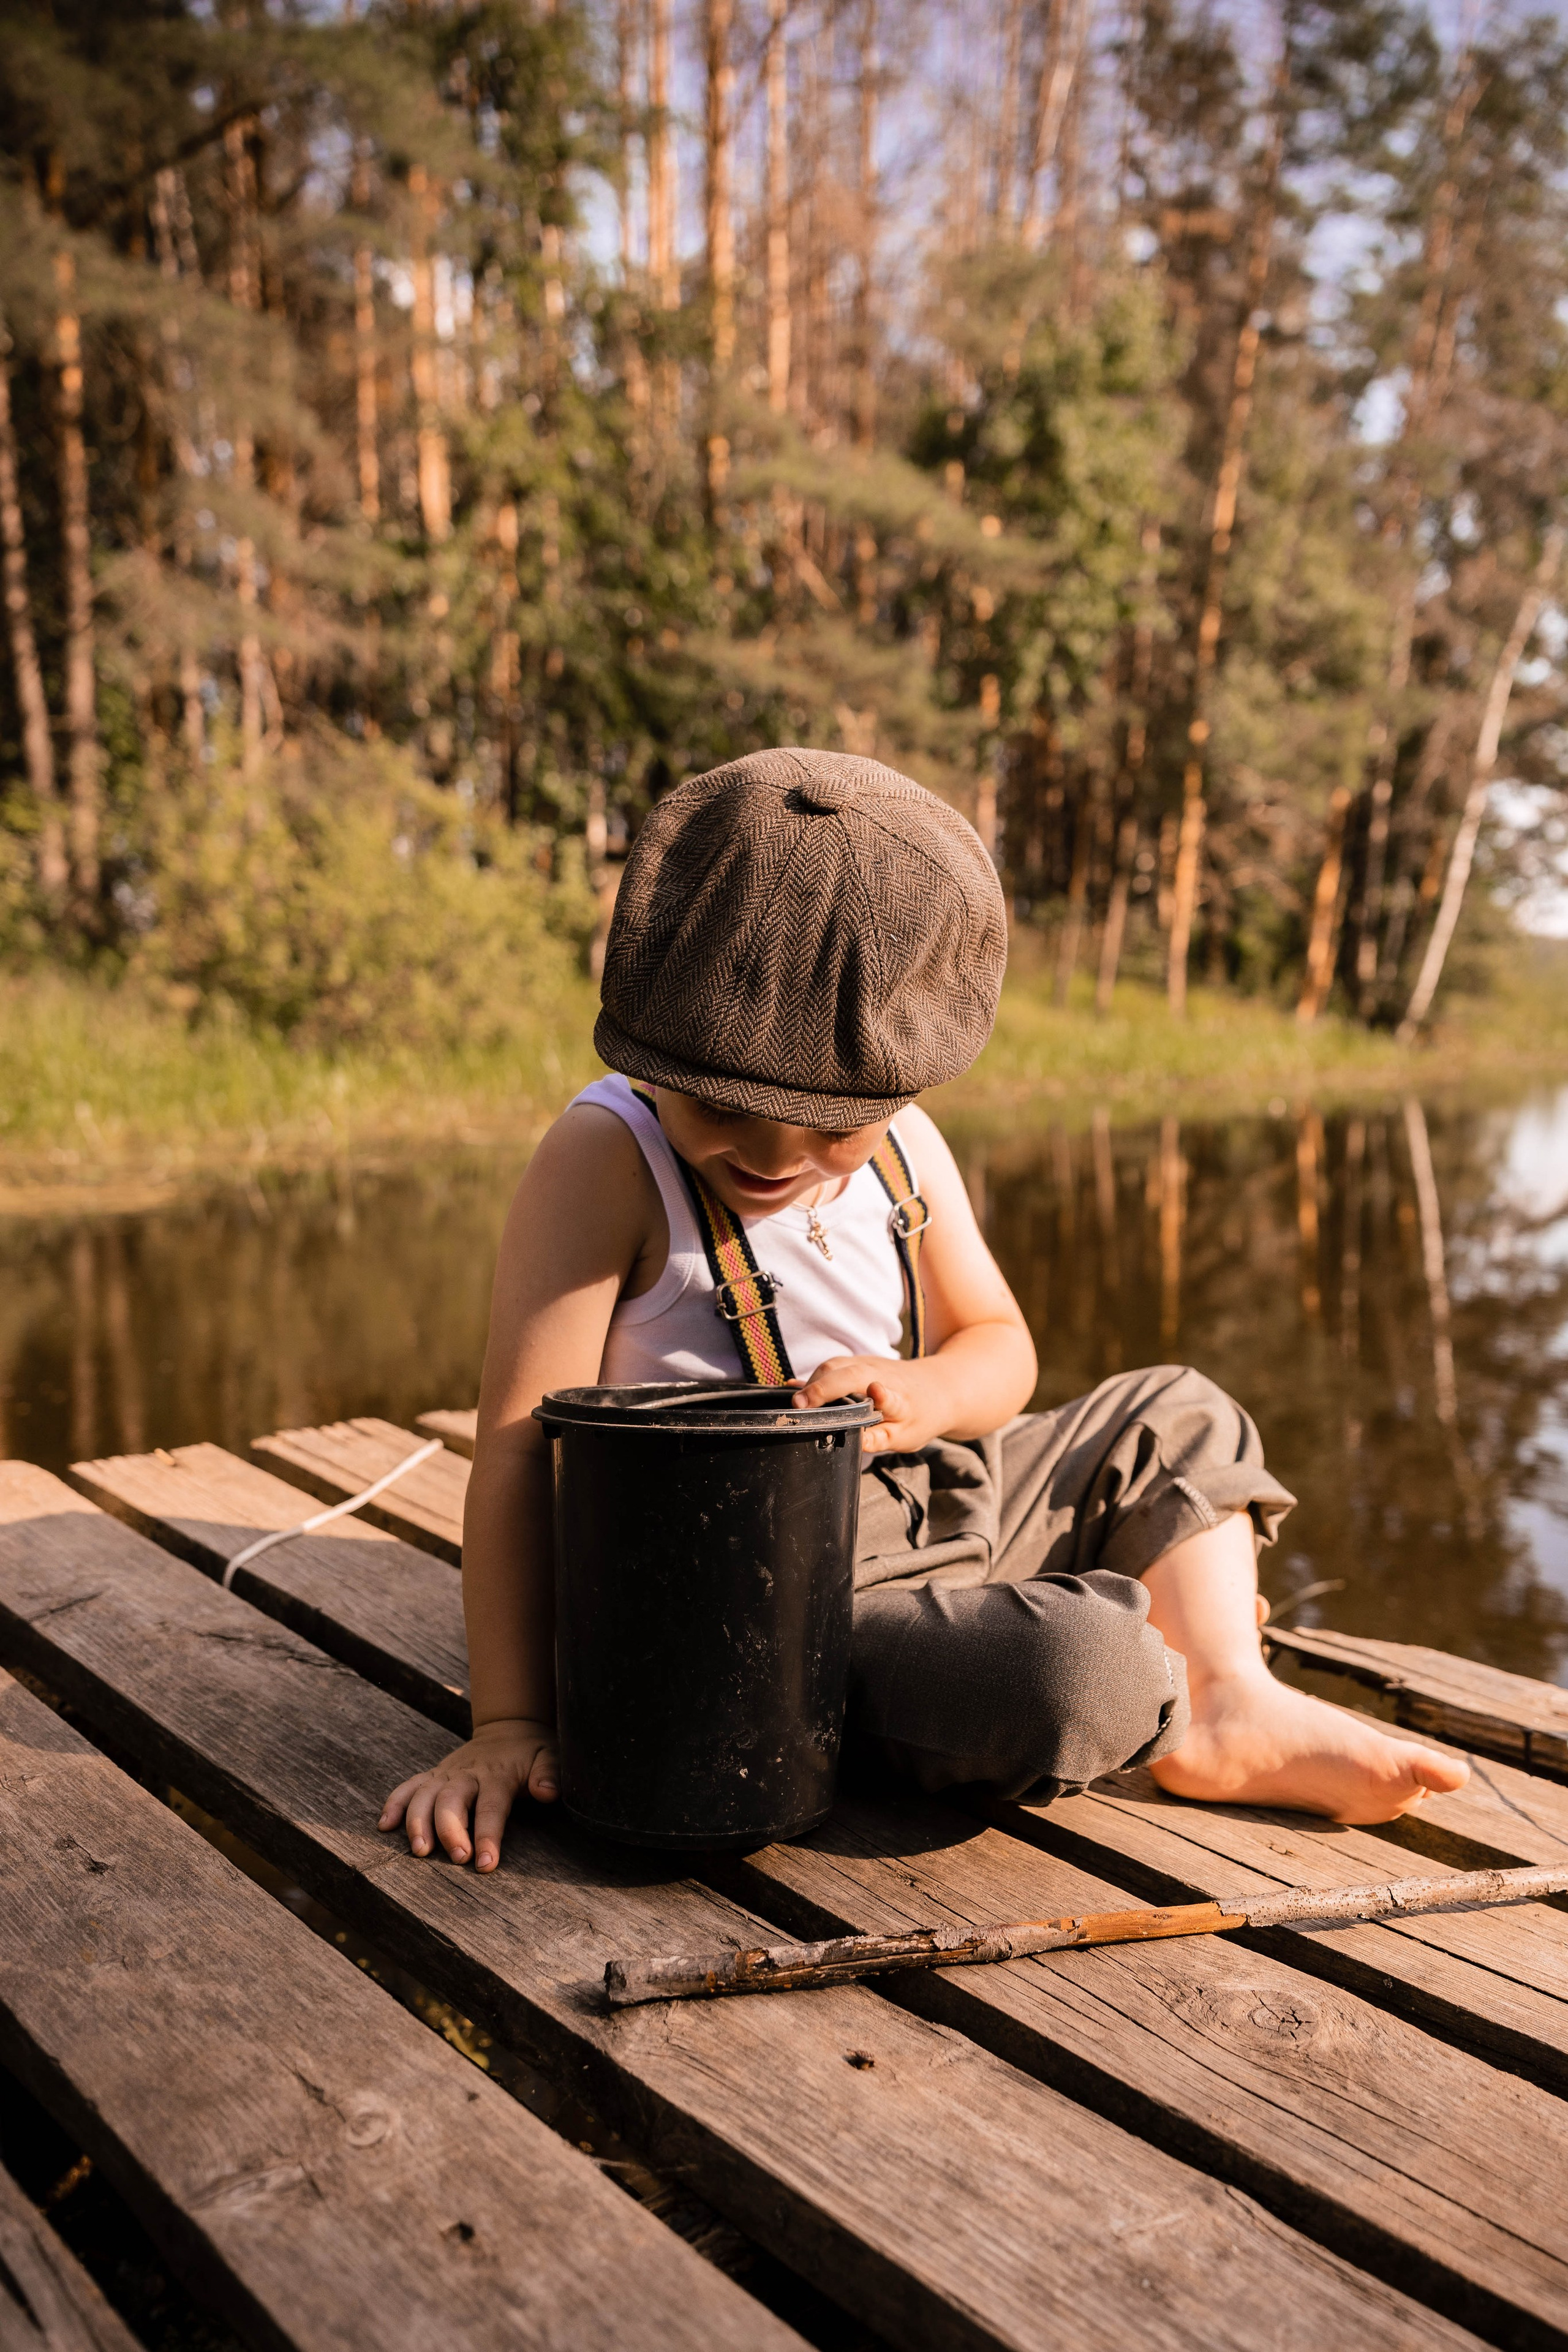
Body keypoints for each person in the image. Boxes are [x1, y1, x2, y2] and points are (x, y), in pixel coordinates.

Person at [382, 748, 1466, 1872]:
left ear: (906, 1084)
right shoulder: (609, 1157)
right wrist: (508, 1723)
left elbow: (1002, 1350)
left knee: (1180, 1410)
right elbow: (514, 1451)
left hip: (950, 1487)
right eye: (719, 1103)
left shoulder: (906, 1149)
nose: (770, 1153)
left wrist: (927, 1392)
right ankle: (1122, 1678)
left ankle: (1232, 1695)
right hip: (768, 1599)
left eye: (829, 1126)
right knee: (1077, 1676)